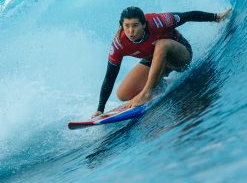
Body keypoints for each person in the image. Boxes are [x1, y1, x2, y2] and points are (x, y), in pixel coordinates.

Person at [92, 6, 232, 118]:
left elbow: (188, 15)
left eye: (135, 25)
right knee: (123, 94)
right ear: (122, 26)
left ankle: (147, 92)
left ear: (144, 24)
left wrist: (216, 17)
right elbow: (110, 76)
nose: (131, 31)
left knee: (162, 44)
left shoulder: (159, 21)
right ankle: (162, 84)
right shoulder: (119, 44)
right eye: (127, 26)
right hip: (153, 60)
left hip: (179, 56)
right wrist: (100, 109)